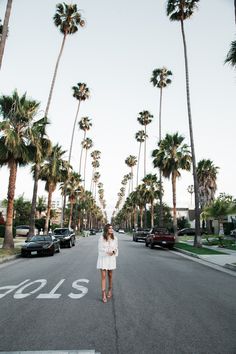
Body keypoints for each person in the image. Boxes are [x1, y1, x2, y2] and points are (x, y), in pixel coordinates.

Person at [97, 223, 118, 303]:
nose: (111, 229)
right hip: (103, 258)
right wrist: (107, 252)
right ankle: (103, 294)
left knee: (110, 275)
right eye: (110, 228)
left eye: (112, 228)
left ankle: (109, 290)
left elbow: (116, 248)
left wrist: (113, 251)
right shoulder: (101, 238)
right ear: (106, 229)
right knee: (103, 276)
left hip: (111, 259)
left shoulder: (115, 238)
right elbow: (100, 249)